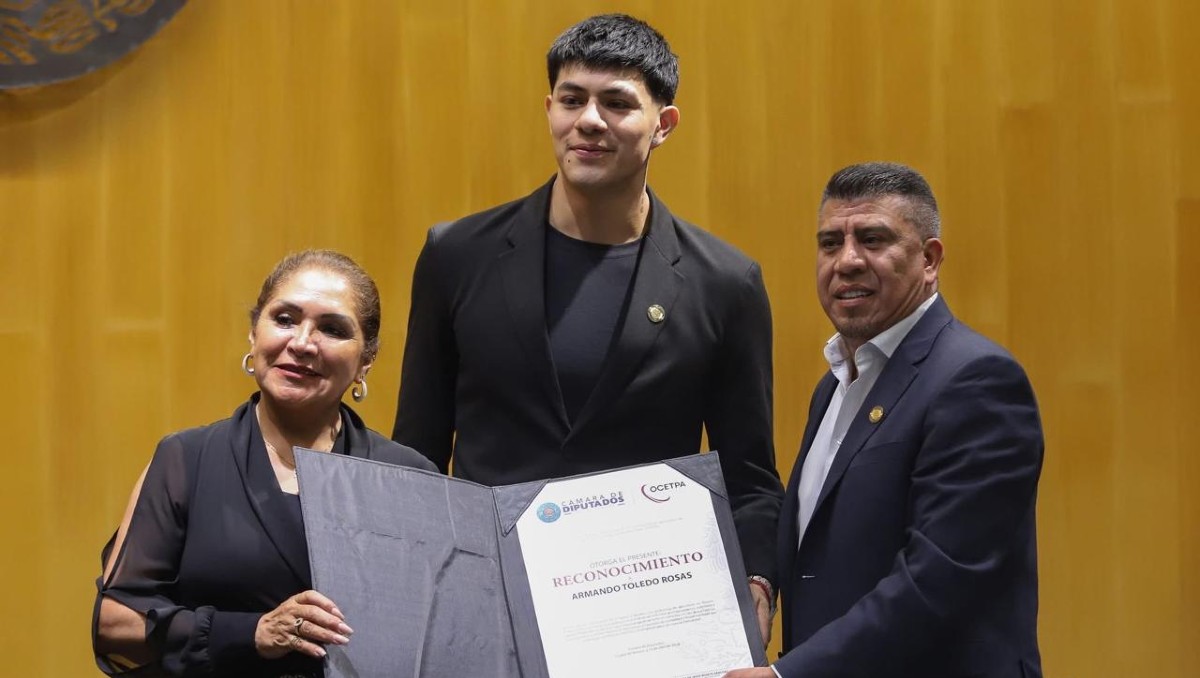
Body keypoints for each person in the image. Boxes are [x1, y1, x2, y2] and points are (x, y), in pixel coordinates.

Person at [391, 13, 783, 641]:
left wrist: (758, 583)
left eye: (617, 103)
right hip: (486, 609)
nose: (590, 120)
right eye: (572, 100)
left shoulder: (725, 283)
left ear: (665, 124)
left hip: (645, 617)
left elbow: (752, 479)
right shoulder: (455, 255)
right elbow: (416, 454)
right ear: (550, 108)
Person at [725, 163, 1044, 678]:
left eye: (872, 239)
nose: (847, 261)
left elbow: (939, 579)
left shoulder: (977, 381)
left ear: (930, 259)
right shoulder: (833, 387)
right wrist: (758, 585)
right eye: (830, 243)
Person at [93, 250, 437, 677]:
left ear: (365, 361)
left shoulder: (409, 477)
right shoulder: (186, 459)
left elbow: (440, 633)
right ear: (254, 335)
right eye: (285, 319)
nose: (302, 342)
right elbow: (114, 619)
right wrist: (252, 632)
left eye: (332, 329)